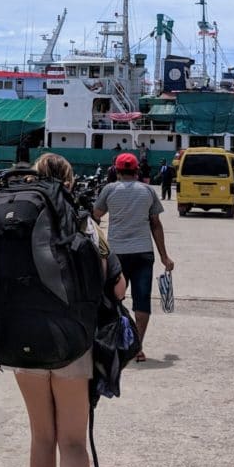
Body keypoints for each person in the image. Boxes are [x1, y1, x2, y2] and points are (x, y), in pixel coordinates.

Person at [0, 152, 125, 467]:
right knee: (73, 441)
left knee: (42, 438)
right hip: (70, 344)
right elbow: (115, 285)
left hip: (19, 345)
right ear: (69, 182)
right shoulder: (81, 222)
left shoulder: (8, 219)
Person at [93, 152, 174, 363]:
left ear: (117, 171)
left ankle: (112, 344)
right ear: (137, 170)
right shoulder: (147, 191)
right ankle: (137, 347)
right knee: (142, 301)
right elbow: (156, 224)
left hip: (117, 254)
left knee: (112, 299)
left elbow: (96, 215)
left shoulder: (109, 190)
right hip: (143, 253)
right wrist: (164, 256)